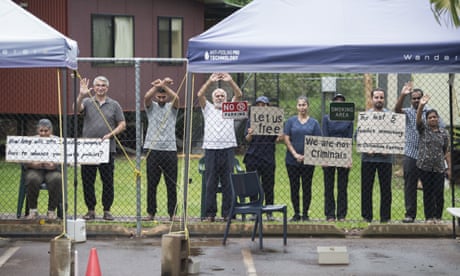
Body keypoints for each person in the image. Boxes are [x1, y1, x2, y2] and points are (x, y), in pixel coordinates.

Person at [76, 76, 126, 220]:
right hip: (88, 150)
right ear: (94, 87)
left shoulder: (114, 104)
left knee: (108, 181)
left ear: (107, 88)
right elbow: (77, 109)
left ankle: (107, 210)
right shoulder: (87, 101)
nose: (100, 88)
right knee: (88, 180)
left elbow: (122, 124)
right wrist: (81, 94)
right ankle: (91, 210)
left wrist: (110, 134)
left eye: (103, 85)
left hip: (107, 149)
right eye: (97, 85)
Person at [395, 84, 445, 223]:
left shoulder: (430, 114)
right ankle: (410, 214)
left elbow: (441, 130)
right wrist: (403, 95)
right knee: (410, 185)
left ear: (422, 98)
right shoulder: (407, 112)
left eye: (418, 98)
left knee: (430, 187)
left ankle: (432, 216)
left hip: (428, 157)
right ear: (411, 100)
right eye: (413, 98)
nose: (416, 101)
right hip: (411, 153)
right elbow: (397, 109)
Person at [198, 72, 243, 222]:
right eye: (217, 95)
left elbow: (239, 94)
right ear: (212, 98)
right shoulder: (208, 109)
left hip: (228, 148)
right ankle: (210, 214)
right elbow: (199, 95)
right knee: (210, 182)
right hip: (211, 149)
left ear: (226, 98)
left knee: (228, 182)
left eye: (222, 95)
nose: (219, 97)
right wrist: (210, 82)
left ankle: (227, 213)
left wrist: (230, 81)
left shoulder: (230, 108)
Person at [142, 77, 179, 221]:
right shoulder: (151, 108)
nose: (161, 99)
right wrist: (158, 86)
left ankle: (172, 213)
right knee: (152, 183)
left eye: (164, 96)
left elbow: (176, 98)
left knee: (171, 184)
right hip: (153, 149)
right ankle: (151, 212)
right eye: (159, 96)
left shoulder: (172, 107)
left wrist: (163, 85)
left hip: (170, 150)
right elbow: (146, 97)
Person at [243, 96, 282, 221]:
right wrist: (250, 133)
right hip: (253, 157)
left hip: (268, 157)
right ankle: (254, 211)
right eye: (258, 104)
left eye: (263, 104)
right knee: (253, 185)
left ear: (268, 106)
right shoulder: (251, 120)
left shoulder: (274, 119)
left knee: (268, 185)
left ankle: (269, 212)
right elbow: (247, 139)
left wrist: (280, 134)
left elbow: (278, 139)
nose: (261, 107)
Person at [284, 95, 322, 222]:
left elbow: (318, 141)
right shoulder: (290, 121)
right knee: (294, 187)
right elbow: (286, 138)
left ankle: (305, 214)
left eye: (304, 105)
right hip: (292, 160)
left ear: (308, 106)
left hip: (308, 160)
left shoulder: (314, 123)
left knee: (307, 187)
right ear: (297, 107)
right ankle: (296, 213)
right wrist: (295, 154)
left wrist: (307, 155)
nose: (302, 108)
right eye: (300, 105)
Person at [416, 95, 451, 224]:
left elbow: (446, 149)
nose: (432, 119)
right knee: (427, 193)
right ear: (427, 120)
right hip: (424, 167)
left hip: (439, 168)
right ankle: (429, 218)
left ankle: (438, 217)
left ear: (438, 119)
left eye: (434, 117)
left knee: (439, 193)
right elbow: (418, 120)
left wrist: (447, 167)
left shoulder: (444, 133)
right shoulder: (423, 130)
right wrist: (421, 105)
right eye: (430, 117)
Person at [360, 88, 393, 223]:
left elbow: (396, 136)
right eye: (376, 97)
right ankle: (367, 217)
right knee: (366, 188)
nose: (379, 100)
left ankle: (385, 218)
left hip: (385, 159)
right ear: (372, 99)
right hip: (368, 158)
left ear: (384, 99)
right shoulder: (365, 116)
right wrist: (366, 148)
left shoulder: (391, 117)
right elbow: (359, 135)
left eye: (381, 97)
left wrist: (389, 149)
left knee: (386, 189)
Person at [321, 94, 353, 222]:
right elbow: (325, 137)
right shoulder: (326, 119)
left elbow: (349, 139)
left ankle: (341, 215)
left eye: (342, 102)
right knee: (329, 186)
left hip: (343, 156)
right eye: (336, 102)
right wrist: (325, 158)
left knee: (342, 187)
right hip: (329, 155)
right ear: (332, 105)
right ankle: (330, 215)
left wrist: (349, 158)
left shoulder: (349, 120)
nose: (339, 104)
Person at [24, 119, 62, 220]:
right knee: (32, 179)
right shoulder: (31, 141)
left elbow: (63, 158)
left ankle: (51, 211)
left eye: (46, 131)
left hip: (52, 170)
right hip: (35, 169)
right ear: (37, 131)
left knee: (57, 179)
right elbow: (23, 158)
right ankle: (33, 211)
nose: (43, 133)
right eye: (41, 131)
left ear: (51, 131)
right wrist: (32, 164)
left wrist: (55, 165)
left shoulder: (57, 140)